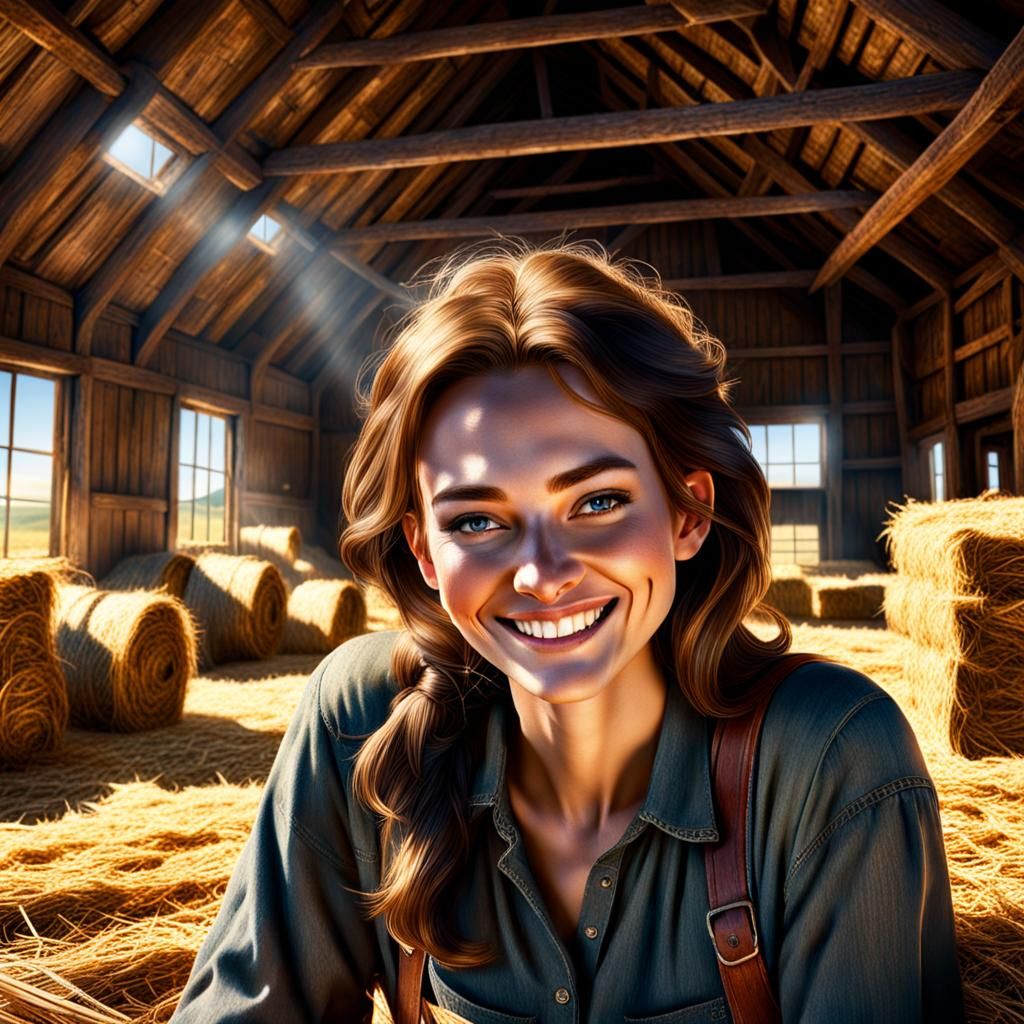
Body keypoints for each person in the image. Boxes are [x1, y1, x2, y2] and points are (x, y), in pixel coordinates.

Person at [169, 239, 965, 1023]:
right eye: (478, 520)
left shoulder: (832, 761)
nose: (542, 574)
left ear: (688, 512)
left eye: (597, 502)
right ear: (422, 549)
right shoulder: (358, 722)